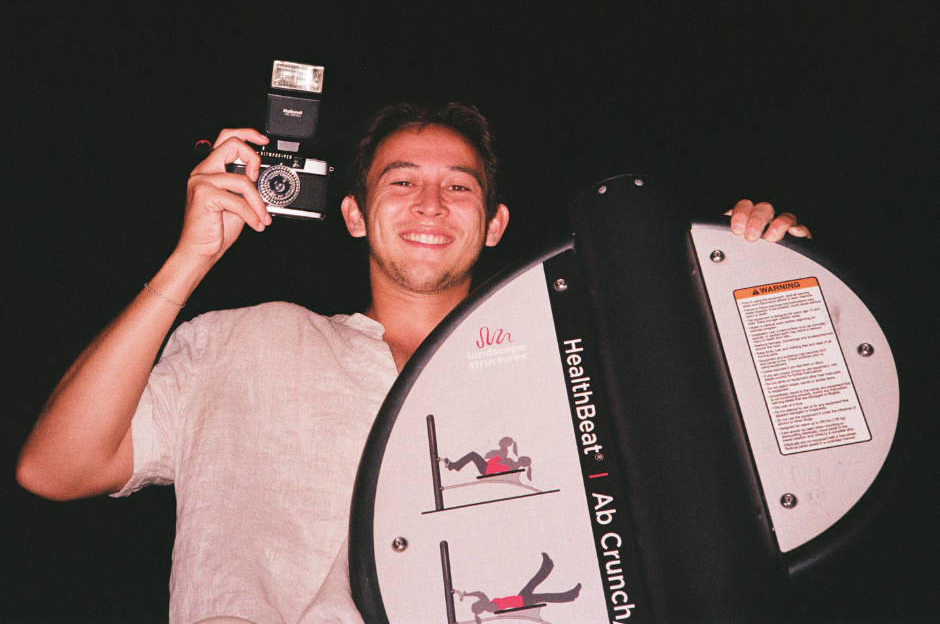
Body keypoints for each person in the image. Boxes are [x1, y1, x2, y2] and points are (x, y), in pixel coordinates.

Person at [15, 100, 811, 623]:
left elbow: (758, 473)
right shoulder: (245, 338)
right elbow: (56, 468)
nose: (431, 205)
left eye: (459, 188)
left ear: (495, 224)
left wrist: (764, 281)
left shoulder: (560, 372)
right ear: (355, 214)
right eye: (402, 183)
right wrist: (188, 259)